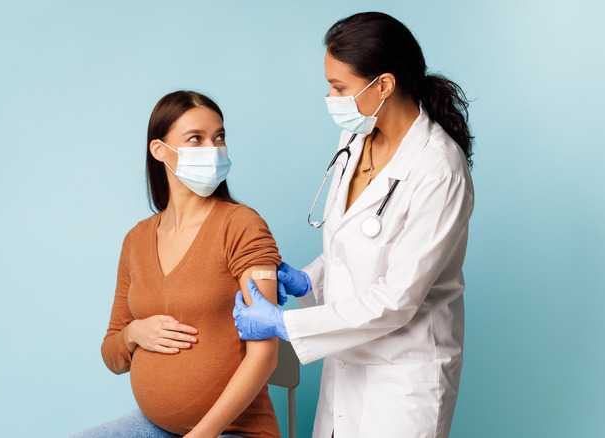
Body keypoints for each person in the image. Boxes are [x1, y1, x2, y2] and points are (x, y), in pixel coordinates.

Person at [233, 12, 475, 438]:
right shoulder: (355, 137)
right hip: (347, 364)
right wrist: (309, 281)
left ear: (383, 84)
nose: (330, 97)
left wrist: (285, 325)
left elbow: (397, 298)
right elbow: (353, 249)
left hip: (404, 379)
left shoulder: (440, 169)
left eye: (339, 87)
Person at [72, 91, 282, 438]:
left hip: (234, 431)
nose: (213, 149)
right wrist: (133, 333)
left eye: (219, 137)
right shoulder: (136, 240)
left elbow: (265, 356)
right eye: (195, 139)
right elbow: (112, 355)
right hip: (155, 426)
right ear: (160, 151)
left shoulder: (242, 225)